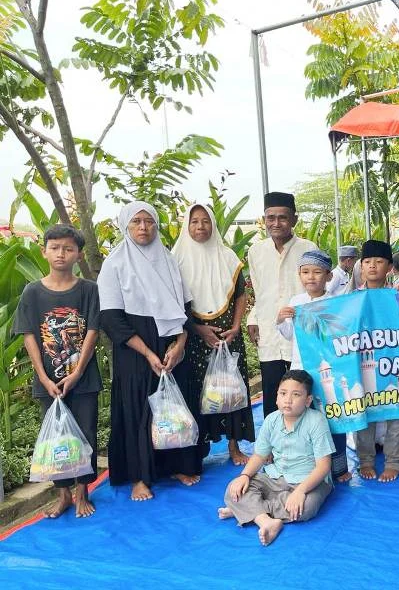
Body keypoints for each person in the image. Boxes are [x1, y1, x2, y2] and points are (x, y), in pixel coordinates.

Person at [98, 201, 198, 501]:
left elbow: (185, 310)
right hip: (135, 352)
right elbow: (112, 320)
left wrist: (179, 345)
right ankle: (139, 477)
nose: (143, 227)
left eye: (149, 221)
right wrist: (148, 354)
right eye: (136, 222)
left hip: (170, 346)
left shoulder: (168, 261)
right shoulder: (114, 264)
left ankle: (176, 466)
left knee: (174, 409)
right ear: (126, 227)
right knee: (139, 408)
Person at [13, 224, 101, 518]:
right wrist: (42, 376)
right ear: (44, 251)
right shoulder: (32, 292)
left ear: (78, 254)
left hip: (84, 379)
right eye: (55, 248)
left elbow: (92, 332)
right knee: (55, 439)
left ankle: (82, 493)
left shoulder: (89, 290)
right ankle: (62, 494)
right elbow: (28, 335)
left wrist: (77, 373)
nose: (61, 253)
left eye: (68, 248)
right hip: (48, 381)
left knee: (85, 434)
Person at [172, 204, 255, 466]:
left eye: (205, 221)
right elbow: (173, 303)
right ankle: (201, 448)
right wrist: (197, 329)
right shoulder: (176, 260)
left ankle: (234, 446)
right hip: (193, 334)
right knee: (199, 389)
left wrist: (237, 325)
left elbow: (241, 294)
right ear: (187, 225)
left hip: (228, 333)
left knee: (231, 390)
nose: (200, 227)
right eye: (194, 222)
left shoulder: (227, 256)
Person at [218, 370, 335, 546]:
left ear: (308, 400)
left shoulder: (316, 421)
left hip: (309, 481)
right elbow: (259, 455)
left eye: (296, 395)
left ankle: (247, 510)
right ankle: (266, 522)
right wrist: (244, 476)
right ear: (276, 397)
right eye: (283, 393)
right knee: (233, 489)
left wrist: (300, 492)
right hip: (275, 477)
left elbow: (323, 466)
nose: (288, 400)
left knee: (306, 508)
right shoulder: (271, 420)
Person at [276, 249, 349, 483]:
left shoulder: (336, 303)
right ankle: (306, 467)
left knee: (333, 418)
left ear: (328, 276)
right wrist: (280, 319)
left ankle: (338, 468)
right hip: (301, 370)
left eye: (317, 272)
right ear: (299, 274)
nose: (311, 277)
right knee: (301, 417)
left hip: (329, 370)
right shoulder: (296, 302)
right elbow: (289, 335)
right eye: (305, 272)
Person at [247, 192, 317, 417]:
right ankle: (273, 447)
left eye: (283, 217)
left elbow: (317, 289)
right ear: (264, 219)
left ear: (294, 220)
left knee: (303, 390)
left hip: (300, 332)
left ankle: (307, 443)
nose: (276, 223)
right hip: (269, 329)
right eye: (271, 218)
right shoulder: (256, 251)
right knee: (272, 392)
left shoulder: (309, 248)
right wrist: (253, 318)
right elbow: (258, 291)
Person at [353, 240, 399, 482]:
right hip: (364, 364)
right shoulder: (352, 299)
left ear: (389, 267)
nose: (372, 266)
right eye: (367, 262)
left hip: (395, 363)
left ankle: (394, 461)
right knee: (365, 412)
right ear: (361, 267)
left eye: (378, 261)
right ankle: (366, 460)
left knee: (397, 412)